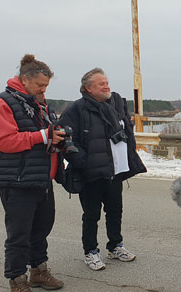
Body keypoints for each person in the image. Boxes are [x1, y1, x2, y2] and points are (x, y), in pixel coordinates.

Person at [0, 54, 65, 292]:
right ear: (24, 80)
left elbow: (46, 134)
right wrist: (42, 136)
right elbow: (3, 141)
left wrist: (57, 139)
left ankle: (39, 272)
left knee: (41, 230)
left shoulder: (38, 104)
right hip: (17, 181)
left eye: (46, 86)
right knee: (19, 234)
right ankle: (17, 280)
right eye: (40, 85)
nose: (44, 90)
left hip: (41, 179)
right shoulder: (3, 103)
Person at [58, 68, 147, 271]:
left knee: (115, 211)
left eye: (107, 82)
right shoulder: (77, 110)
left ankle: (115, 246)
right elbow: (64, 139)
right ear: (88, 88)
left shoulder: (116, 105)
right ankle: (90, 251)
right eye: (101, 84)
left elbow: (127, 133)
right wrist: (83, 162)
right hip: (91, 173)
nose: (107, 86)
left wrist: (129, 156)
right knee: (91, 215)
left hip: (114, 171)